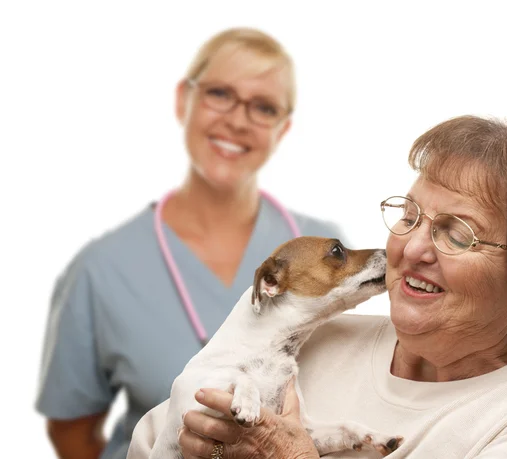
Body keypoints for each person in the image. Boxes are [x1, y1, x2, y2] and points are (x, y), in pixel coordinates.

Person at [128, 115, 507, 459]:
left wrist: (289, 456)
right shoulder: (315, 335)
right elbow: (154, 439)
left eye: (457, 233)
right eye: (409, 216)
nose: (412, 247)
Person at [35, 27, 345, 459]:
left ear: (283, 127)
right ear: (184, 100)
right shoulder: (101, 269)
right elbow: (72, 431)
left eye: (263, 107)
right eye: (220, 93)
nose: (238, 120)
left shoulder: (326, 254)